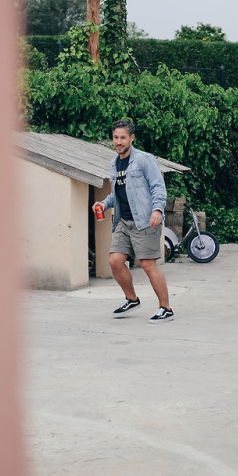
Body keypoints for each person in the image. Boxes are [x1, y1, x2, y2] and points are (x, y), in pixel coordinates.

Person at [92, 119, 174, 323]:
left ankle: (166, 308)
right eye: (115, 137)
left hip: (145, 220)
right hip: (124, 221)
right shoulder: (114, 163)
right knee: (115, 261)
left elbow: (158, 187)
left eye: (122, 137)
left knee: (147, 265)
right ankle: (131, 298)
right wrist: (103, 203)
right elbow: (117, 193)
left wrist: (157, 209)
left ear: (131, 138)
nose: (118, 142)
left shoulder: (144, 160)